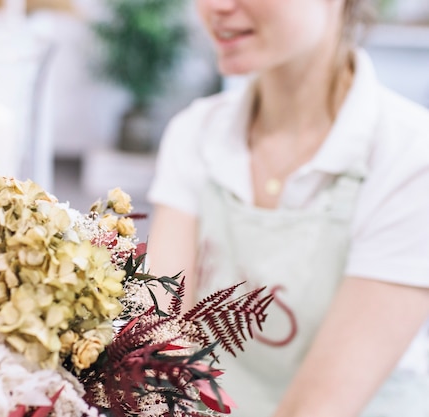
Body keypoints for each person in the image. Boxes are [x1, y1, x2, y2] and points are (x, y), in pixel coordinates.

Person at [146, 0, 429, 416]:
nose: (215, 7)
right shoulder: (194, 133)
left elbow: (318, 409)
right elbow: (161, 346)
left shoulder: (409, 157)